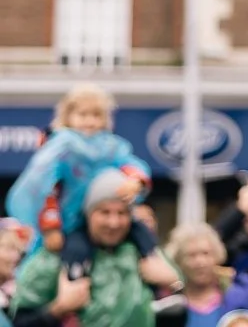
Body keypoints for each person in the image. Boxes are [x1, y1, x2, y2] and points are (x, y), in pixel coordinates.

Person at [5, 85, 169, 285]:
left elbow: (131, 164)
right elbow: (46, 188)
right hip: (72, 221)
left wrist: (136, 181)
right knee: (76, 249)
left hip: (103, 211)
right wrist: (51, 228)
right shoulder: (60, 148)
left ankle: (159, 280)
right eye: (82, 115)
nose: (90, 121)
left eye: (96, 115)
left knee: (142, 234)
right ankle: (75, 284)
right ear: (68, 117)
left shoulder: (111, 146)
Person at [9, 169, 178, 327]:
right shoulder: (58, 257)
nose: (114, 223)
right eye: (104, 212)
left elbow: (190, 308)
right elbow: (19, 321)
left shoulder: (145, 254)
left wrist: (174, 283)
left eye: (122, 213)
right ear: (88, 213)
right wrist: (58, 309)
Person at [163, 223, 233, 327]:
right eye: (191, 255)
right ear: (179, 260)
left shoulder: (233, 298)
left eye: (206, 253)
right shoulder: (170, 305)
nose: (200, 262)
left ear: (217, 256)